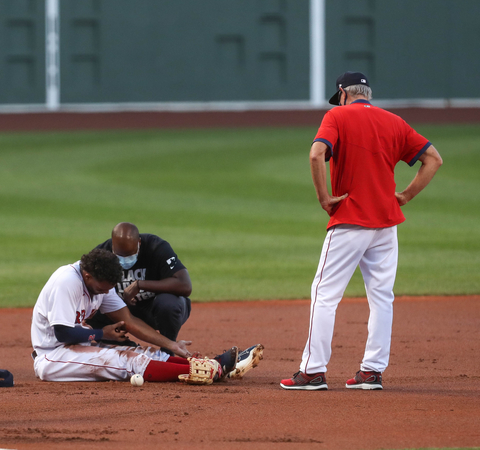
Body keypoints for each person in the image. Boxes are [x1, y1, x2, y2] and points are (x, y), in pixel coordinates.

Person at [280, 72, 443, 391]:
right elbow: (434, 159)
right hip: (386, 224)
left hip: (350, 220)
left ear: (343, 92)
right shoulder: (394, 121)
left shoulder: (337, 115)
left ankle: (312, 371)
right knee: (382, 297)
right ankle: (372, 372)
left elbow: (316, 153)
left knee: (324, 295)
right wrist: (406, 196)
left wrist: (324, 198)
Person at [31, 248, 261, 384]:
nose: (104, 291)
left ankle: (205, 364)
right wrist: (101, 333)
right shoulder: (67, 282)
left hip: (74, 346)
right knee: (125, 361)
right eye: (102, 287)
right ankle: (205, 371)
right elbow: (61, 333)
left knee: (135, 352)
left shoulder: (100, 282)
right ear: (88, 275)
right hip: (52, 356)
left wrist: (171, 344)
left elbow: (130, 321)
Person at [85, 223, 191, 343]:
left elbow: (185, 285)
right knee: (92, 307)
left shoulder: (156, 247)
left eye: (129, 255)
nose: (125, 260)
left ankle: (168, 349)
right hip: (119, 311)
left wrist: (140, 284)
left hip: (154, 310)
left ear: (139, 243)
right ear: (112, 246)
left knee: (169, 303)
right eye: (119, 256)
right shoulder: (102, 254)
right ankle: (122, 346)